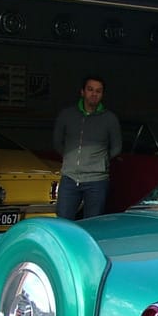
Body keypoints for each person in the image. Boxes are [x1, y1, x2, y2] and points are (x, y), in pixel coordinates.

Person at [52, 75, 122, 219]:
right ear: (82, 92)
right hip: (70, 177)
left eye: (98, 91)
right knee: (63, 220)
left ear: (102, 94)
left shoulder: (110, 119)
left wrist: (100, 162)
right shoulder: (67, 115)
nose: (94, 94)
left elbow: (117, 147)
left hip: (97, 180)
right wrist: (70, 159)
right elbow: (57, 142)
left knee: (93, 223)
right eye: (90, 90)